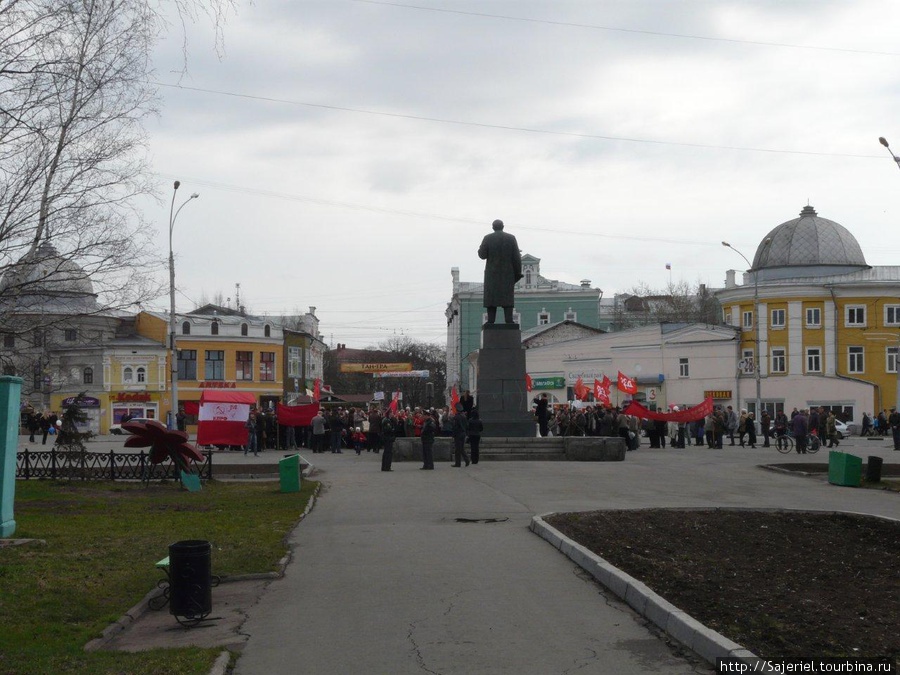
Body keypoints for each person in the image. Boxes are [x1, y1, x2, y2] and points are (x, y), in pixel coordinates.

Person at [477, 219, 523, 324]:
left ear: (493, 227)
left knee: (491, 298)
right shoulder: (511, 238)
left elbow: (482, 255)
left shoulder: (487, 238)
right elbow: (516, 257)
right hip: (508, 274)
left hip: (492, 274)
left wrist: (481, 248)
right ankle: (509, 320)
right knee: (507, 298)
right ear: (503, 226)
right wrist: (517, 273)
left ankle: (490, 321)